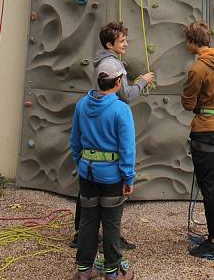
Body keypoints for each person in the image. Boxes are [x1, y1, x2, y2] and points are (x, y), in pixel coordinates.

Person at [71, 22, 154, 250]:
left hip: (91, 150)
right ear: (110, 44)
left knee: (88, 192)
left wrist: (81, 160)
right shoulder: (112, 65)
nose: (126, 43)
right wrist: (142, 82)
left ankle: (83, 240)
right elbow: (125, 96)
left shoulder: (101, 63)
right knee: (109, 204)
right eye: (122, 41)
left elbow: (75, 142)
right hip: (110, 121)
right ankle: (111, 248)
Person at [70, 59, 136, 280]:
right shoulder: (121, 109)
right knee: (111, 224)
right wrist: (129, 177)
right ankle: (113, 272)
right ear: (118, 81)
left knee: (87, 221)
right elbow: (127, 148)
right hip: (112, 178)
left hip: (86, 174)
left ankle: (84, 270)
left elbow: (75, 141)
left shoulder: (82, 104)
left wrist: (82, 162)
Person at [181, 21, 214, 258]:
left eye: (187, 41)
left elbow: (188, 103)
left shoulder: (197, 69)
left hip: (206, 130)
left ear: (192, 42)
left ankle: (213, 240)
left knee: (208, 185)